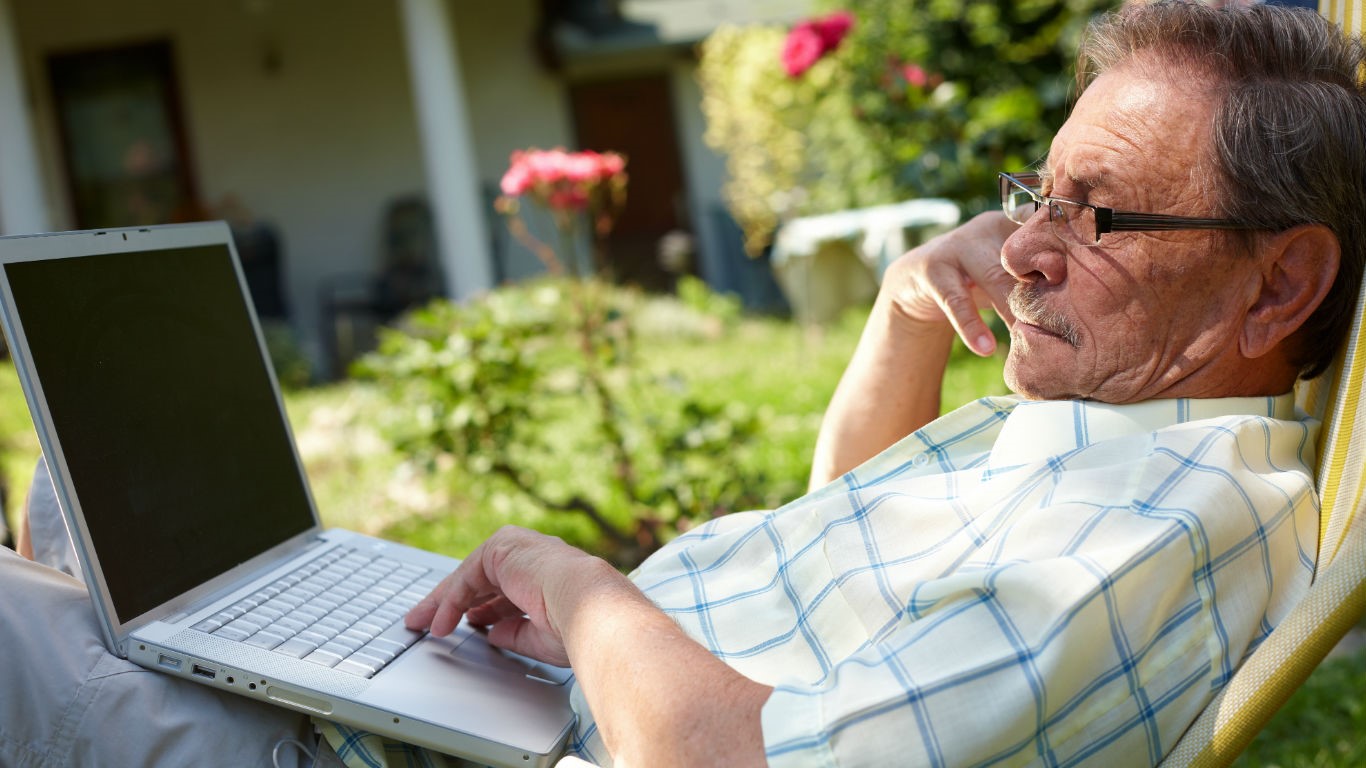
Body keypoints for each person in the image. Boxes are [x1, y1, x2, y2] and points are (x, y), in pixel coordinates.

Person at [402, 3, 1366, 767]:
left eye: (1095, 216)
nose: (1023, 249)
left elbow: (738, 763)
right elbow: (841, 552)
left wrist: (575, 587)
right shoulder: (1112, 418)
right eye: (1039, 194)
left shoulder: (1143, 533)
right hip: (569, 693)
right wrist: (907, 313)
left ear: (1277, 286)